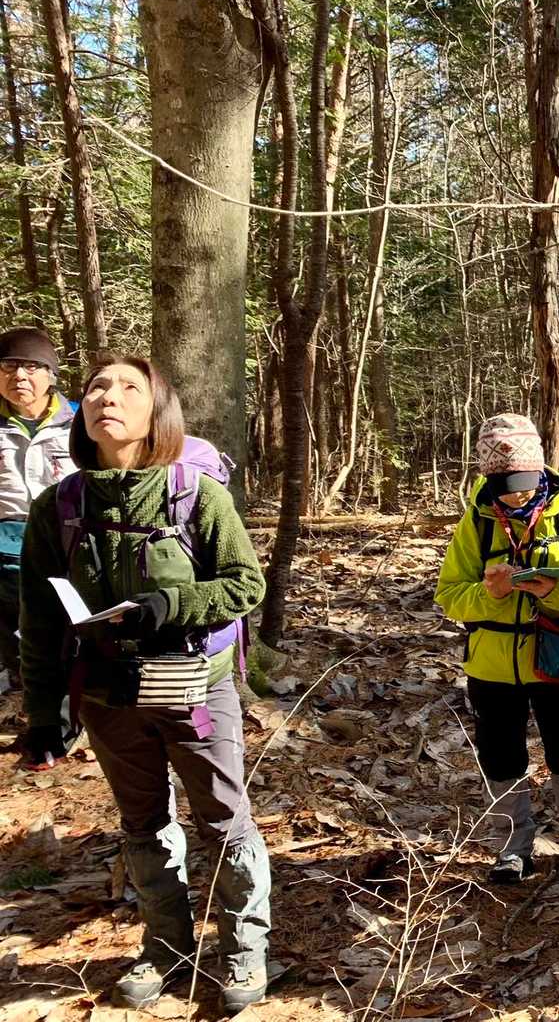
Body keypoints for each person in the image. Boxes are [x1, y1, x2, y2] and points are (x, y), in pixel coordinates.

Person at [18, 356, 271, 1012]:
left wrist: (171, 604)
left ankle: (244, 949)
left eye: (130, 387)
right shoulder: (59, 506)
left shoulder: (197, 494)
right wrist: (43, 711)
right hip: (107, 695)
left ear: (158, 413)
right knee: (142, 823)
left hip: (195, 687)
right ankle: (166, 948)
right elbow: (40, 617)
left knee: (223, 819)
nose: (109, 396)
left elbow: (246, 584)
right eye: (97, 386)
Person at [435, 414, 559, 887]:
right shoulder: (476, 520)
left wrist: (554, 590)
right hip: (491, 664)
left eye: (524, 485)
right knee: (501, 757)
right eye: (505, 487)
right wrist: (489, 594)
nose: (515, 496)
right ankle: (512, 848)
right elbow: (450, 595)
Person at [0, 328, 78, 699]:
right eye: (8, 366)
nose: (19, 375)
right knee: (16, 643)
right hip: (5, 551)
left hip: (69, 546)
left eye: (31, 366)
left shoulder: (80, 421)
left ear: (51, 374)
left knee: (67, 637)